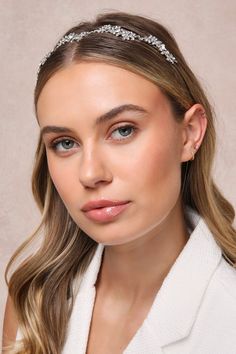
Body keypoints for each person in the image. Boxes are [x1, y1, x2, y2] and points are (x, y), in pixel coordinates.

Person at [2, 11, 236, 354]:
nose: (91, 173)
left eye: (122, 130)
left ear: (189, 134)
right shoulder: (34, 304)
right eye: (65, 143)